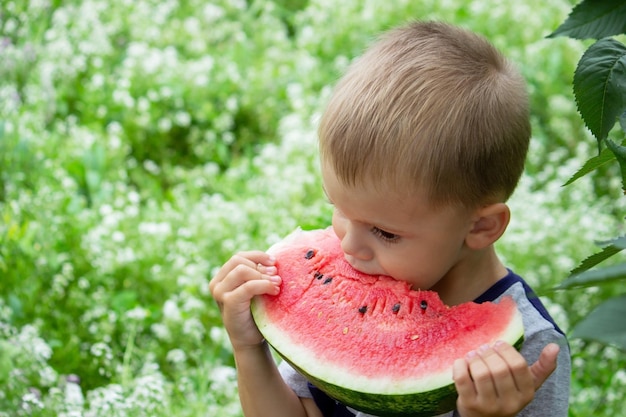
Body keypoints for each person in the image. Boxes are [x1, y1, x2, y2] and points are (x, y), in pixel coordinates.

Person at [209, 20, 570, 417]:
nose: (348, 246)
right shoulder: (351, 297)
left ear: (481, 227)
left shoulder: (526, 349)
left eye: (384, 232)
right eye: (340, 210)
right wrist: (249, 350)